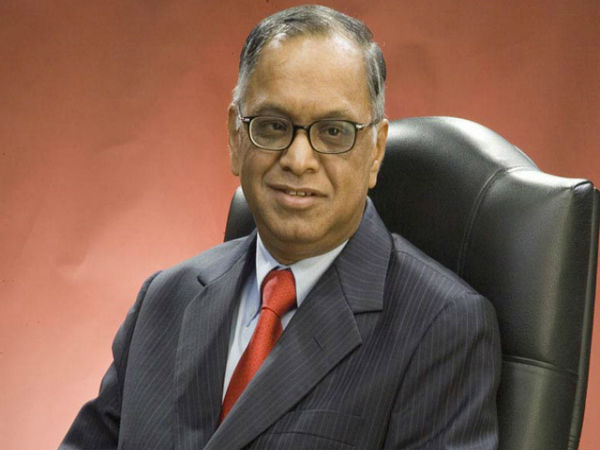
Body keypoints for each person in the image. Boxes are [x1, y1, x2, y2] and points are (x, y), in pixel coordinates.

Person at [60, 5, 501, 450]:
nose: (298, 159)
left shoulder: (440, 327)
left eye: (333, 132)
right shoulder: (164, 301)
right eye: (273, 126)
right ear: (236, 137)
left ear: (376, 150)